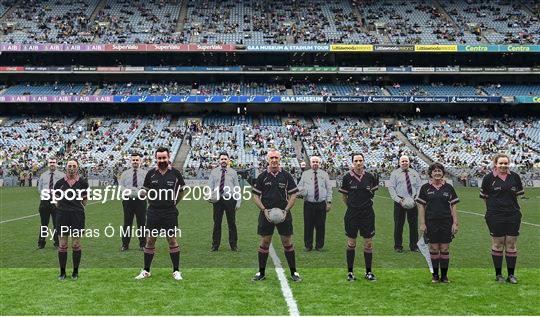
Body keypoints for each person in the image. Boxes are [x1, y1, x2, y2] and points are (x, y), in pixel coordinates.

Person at [135, 147, 186, 281]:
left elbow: (182, 191)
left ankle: (176, 271)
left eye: (164, 158)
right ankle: (146, 270)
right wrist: (146, 196)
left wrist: (174, 203)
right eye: (159, 158)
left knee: (172, 240)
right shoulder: (150, 173)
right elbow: (145, 190)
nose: (162, 160)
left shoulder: (175, 173)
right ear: (156, 158)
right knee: (150, 240)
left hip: (170, 212)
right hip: (153, 212)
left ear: (169, 157)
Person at [251, 149, 301, 282]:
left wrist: (286, 209)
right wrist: (263, 209)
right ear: (268, 160)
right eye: (271, 158)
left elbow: (294, 194)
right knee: (265, 242)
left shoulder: (286, 176)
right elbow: (255, 195)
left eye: (276, 158)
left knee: (287, 242)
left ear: (279, 160)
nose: (274, 160)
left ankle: (294, 272)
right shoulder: (262, 176)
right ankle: (261, 272)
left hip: (283, 213)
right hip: (266, 213)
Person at [480, 153, 524, 284]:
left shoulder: (515, 177)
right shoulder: (488, 178)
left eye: (506, 163)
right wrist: (492, 211)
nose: (503, 166)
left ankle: (511, 275)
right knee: (498, 244)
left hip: (513, 215)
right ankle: (498, 275)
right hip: (495, 215)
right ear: (495, 164)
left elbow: (516, 195)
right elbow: (485, 197)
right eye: (501, 163)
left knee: (511, 244)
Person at [416, 163, 459, 283]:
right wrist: (422, 223)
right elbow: (421, 207)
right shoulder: (425, 188)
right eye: (434, 171)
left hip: (446, 222)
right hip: (431, 222)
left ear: (443, 173)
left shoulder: (449, 188)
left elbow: (454, 206)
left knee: (445, 248)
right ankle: (435, 275)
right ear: (430, 174)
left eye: (439, 171)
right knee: (434, 248)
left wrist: (455, 223)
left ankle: (444, 276)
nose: (437, 173)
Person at [339, 153, 378, 282]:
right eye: (356, 161)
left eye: (360, 160)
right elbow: (344, 197)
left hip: (367, 214)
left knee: (368, 243)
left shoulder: (370, 177)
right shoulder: (347, 178)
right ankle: (350, 272)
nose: (358, 163)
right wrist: (352, 207)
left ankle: (369, 272)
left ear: (364, 162)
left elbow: (372, 194)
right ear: (352, 163)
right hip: (352, 214)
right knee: (351, 243)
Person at [53, 159, 89, 280]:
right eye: (70, 166)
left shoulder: (83, 183)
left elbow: (85, 202)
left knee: (76, 244)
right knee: (62, 244)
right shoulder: (58, 184)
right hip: (62, 215)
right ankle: (62, 272)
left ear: (78, 168)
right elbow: (57, 202)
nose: (72, 168)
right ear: (66, 167)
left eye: (74, 166)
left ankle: (75, 272)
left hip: (77, 216)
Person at [297, 156, 332, 251]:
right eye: (313, 162)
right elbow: (299, 186)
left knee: (321, 226)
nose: (315, 163)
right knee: (308, 225)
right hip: (308, 204)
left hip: (321, 204)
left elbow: (329, 189)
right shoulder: (305, 174)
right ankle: (308, 246)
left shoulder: (324, 174)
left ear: (319, 163)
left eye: (317, 162)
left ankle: (319, 246)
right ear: (310, 163)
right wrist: (300, 192)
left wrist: (328, 202)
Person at [388, 155, 422, 252]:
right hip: (400, 202)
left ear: (409, 162)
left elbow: (419, 186)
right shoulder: (395, 174)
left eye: (406, 161)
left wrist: (417, 198)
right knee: (398, 225)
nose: (404, 163)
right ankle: (398, 246)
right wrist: (398, 200)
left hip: (413, 201)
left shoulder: (414, 173)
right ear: (399, 163)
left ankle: (414, 246)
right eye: (402, 161)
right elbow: (391, 188)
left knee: (413, 225)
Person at [208, 152, 240, 251]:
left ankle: (233, 245)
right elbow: (210, 186)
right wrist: (209, 196)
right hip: (218, 200)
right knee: (217, 223)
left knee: (232, 223)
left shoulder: (233, 172)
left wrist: (238, 201)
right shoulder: (214, 172)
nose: (223, 161)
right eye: (222, 159)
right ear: (219, 160)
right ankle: (215, 245)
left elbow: (237, 187)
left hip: (230, 199)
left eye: (225, 159)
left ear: (228, 160)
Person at [119, 153, 148, 251]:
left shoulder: (145, 173)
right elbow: (121, 187)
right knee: (127, 223)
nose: (135, 162)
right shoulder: (125, 174)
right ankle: (125, 244)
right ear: (131, 161)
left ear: (140, 161)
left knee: (142, 223)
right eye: (133, 160)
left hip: (141, 201)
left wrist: (141, 193)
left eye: (137, 160)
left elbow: (147, 187)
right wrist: (130, 193)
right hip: (128, 201)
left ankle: (143, 244)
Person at [37, 158, 64, 249]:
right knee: (44, 224)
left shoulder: (61, 175)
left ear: (56, 164)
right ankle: (41, 243)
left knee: (56, 223)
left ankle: (57, 243)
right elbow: (39, 188)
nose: (52, 164)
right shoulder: (43, 175)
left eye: (54, 162)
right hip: (44, 202)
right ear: (48, 164)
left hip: (56, 202)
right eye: (50, 162)